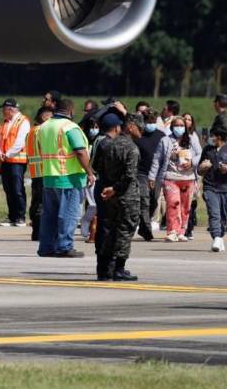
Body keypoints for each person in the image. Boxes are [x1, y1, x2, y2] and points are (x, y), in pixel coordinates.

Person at [35, 98, 95, 258]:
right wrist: (89, 172)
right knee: (68, 214)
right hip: (69, 178)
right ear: (71, 110)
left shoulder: (43, 127)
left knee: (49, 215)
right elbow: (80, 151)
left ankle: (46, 247)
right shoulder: (70, 127)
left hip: (49, 176)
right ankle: (64, 247)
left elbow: (41, 148)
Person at [93, 114, 142, 281]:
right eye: (139, 128)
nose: (141, 131)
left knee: (109, 230)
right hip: (126, 195)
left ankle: (104, 268)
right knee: (125, 230)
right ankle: (119, 268)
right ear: (130, 127)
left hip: (109, 195)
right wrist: (115, 188)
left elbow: (97, 167)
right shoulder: (131, 148)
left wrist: (109, 187)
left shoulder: (108, 145)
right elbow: (130, 175)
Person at [149, 115, 201, 242]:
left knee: (185, 207)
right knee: (173, 204)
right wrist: (152, 176)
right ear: (172, 127)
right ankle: (172, 231)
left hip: (188, 178)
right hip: (170, 177)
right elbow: (157, 159)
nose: (179, 128)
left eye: (181, 125)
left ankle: (181, 231)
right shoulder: (165, 140)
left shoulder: (191, 139)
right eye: (176, 125)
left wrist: (192, 162)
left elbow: (200, 154)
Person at [198, 128, 227, 252]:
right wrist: (203, 167)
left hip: (225, 189)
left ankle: (220, 237)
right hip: (209, 187)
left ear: (219, 137)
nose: (210, 138)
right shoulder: (207, 149)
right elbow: (199, 170)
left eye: (212, 136)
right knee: (214, 214)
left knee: (223, 216)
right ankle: (216, 237)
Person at [0, 98, 31, 226]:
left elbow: (20, 142)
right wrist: (0, 153)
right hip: (5, 160)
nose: (2, 112)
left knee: (17, 189)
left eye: (4, 109)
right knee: (8, 189)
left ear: (10, 109)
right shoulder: (5, 122)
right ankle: (11, 217)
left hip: (17, 161)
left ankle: (20, 217)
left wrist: (7, 154)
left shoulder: (23, 122)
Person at [134, 109, 165, 241]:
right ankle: (147, 230)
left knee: (154, 201)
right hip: (141, 173)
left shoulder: (161, 136)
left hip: (157, 174)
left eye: (152, 121)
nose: (150, 124)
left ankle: (143, 226)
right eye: (148, 121)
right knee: (144, 200)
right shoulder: (138, 135)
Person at [27, 107, 53, 240]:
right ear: (44, 117)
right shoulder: (42, 131)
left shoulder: (31, 131)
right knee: (42, 203)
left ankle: (36, 231)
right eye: (51, 118)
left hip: (35, 172)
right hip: (44, 171)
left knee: (36, 201)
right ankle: (40, 231)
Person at [182, 112, 203, 239]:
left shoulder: (193, 136)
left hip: (191, 173)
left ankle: (188, 228)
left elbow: (200, 153)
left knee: (190, 202)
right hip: (177, 173)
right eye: (184, 118)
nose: (186, 121)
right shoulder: (174, 136)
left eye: (189, 119)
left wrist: (192, 162)